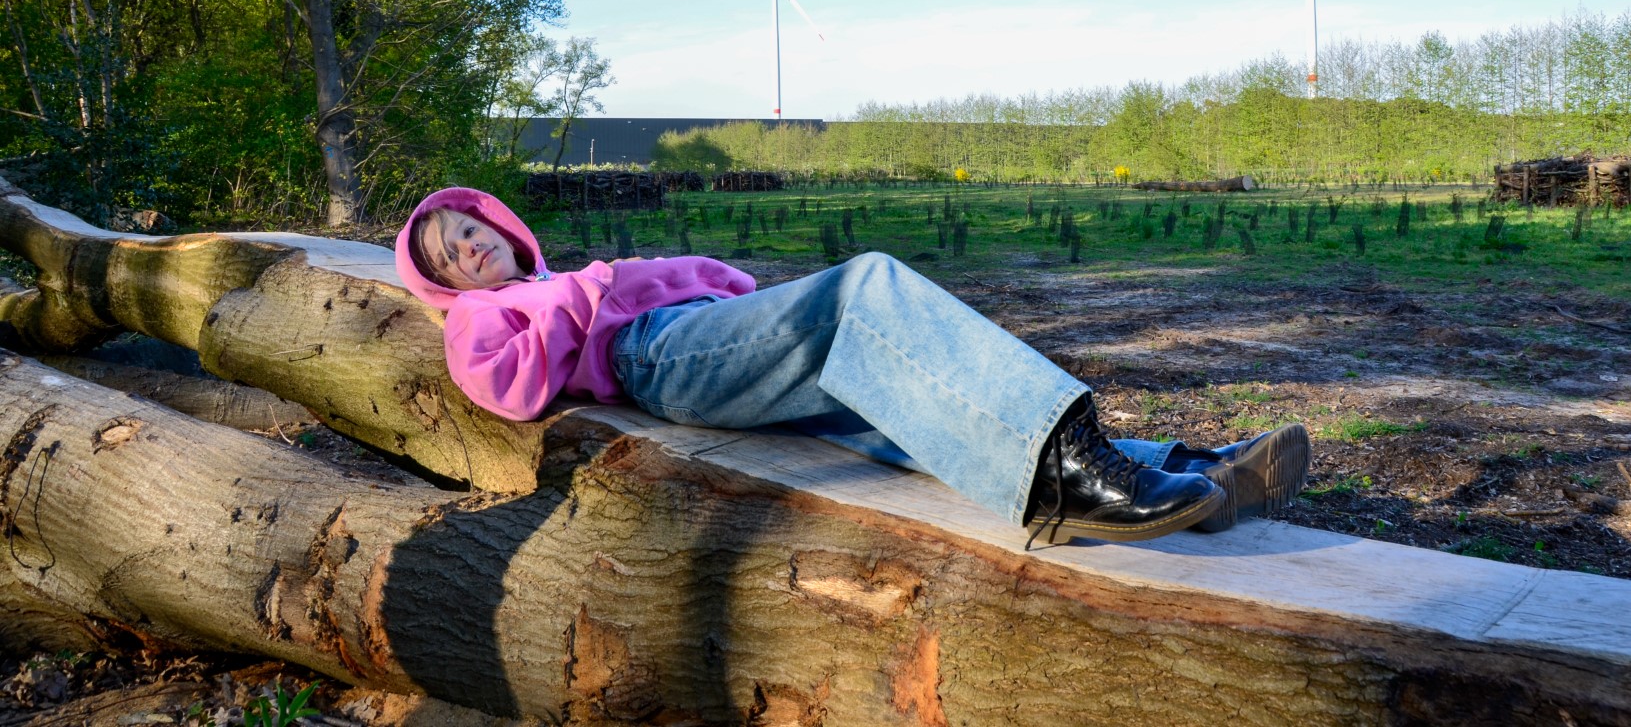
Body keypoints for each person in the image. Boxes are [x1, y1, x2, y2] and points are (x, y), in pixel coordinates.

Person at [396, 187, 1310, 547]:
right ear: (440, 282)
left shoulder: (559, 276)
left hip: (699, 340)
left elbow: (715, 286)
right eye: (448, 253)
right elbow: (502, 387)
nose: (469, 251)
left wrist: (682, 284)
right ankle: (1072, 478)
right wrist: (580, 298)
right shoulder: (482, 318)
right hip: (659, 361)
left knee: (901, 407)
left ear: (499, 225)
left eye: (471, 229)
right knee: (863, 286)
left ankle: (1177, 476)